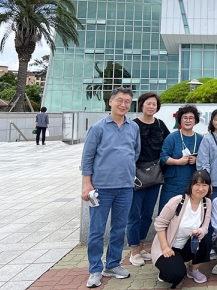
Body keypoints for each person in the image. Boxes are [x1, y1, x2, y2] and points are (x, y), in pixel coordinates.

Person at [81, 87, 141, 288]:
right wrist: (87, 184)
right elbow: (87, 158)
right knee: (97, 231)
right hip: (101, 188)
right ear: (111, 101)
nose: (123, 105)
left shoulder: (133, 127)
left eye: (127, 102)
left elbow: (135, 153)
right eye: (120, 100)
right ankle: (95, 270)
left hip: (125, 186)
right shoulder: (98, 128)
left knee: (118, 228)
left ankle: (112, 264)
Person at [126, 92, 171, 267]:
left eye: (154, 104)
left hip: (154, 175)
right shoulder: (133, 125)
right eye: (148, 103)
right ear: (141, 105)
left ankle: (142, 246)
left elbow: (168, 145)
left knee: (147, 215)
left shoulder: (160, 124)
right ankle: (134, 250)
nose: (151, 106)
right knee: (134, 214)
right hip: (136, 175)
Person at [151, 170, 213, 288]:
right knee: (176, 275)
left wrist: (199, 232)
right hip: (168, 246)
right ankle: (166, 270)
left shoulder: (207, 203)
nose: (201, 188)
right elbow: (159, 224)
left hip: (186, 246)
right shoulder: (178, 201)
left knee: (206, 241)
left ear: (209, 187)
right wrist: (165, 247)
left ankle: (193, 270)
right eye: (197, 185)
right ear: (191, 185)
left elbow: (205, 226)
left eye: (204, 185)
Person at [159, 105, 203, 212]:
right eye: (185, 118)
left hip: (193, 181)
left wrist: (197, 161)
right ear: (180, 120)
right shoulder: (172, 137)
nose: (188, 120)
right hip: (173, 182)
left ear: (195, 120)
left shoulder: (200, 138)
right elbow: (163, 157)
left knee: (189, 212)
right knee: (168, 211)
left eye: (191, 118)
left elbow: (206, 159)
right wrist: (177, 162)